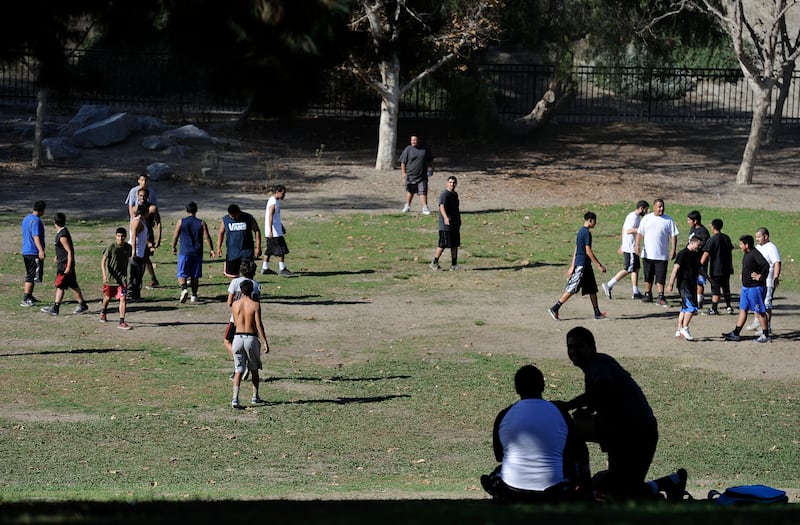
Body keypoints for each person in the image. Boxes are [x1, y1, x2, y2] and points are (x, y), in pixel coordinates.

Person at [556, 327, 687, 502]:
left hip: (636, 434)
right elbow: (607, 394)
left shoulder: (598, 366)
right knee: (617, 487)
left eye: (578, 346)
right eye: (570, 347)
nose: (573, 352)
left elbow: (603, 386)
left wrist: (569, 405)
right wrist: (587, 410)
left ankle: (664, 489)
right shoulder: (599, 364)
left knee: (621, 492)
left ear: (592, 347)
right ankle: (671, 482)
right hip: (621, 431)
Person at [480, 365, 591, 503]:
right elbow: (577, 450)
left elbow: (499, 455)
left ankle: (506, 496)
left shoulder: (504, 415)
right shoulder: (560, 413)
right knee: (570, 471)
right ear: (543, 386)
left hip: (512, 489)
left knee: (495, 475)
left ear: (516, 389)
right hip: (554, 489)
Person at [548, 211, 607, 321]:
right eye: (595, 221)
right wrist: (599, 265)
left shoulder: (581, 231)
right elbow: (587, 250)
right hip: (582, 264)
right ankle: (555, 308)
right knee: (572, 288)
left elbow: (576, 248)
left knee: (592, 288)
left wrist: (571, 265)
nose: (596, 223)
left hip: (586, 265)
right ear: (590, 220)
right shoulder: (586, 233)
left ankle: (597, 312)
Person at [722, 235, 771, 343]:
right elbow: (748, 267)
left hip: (755, 288)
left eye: (741, 244)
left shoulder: (755, 253)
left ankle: (765, 334)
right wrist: (743, 274)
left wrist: (760, 277)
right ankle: (736, 333)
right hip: (746, 288)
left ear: (747, 244)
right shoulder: (747, 254)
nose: (739, 246)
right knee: (743, 309)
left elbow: (766, 266)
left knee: (760, 311)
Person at [40, 213, 90, 316]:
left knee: (60, 286)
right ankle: (82, 304)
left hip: (64, 266)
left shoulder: (62, 235)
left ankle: (56, 308)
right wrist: (57, 256)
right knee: (73, 285)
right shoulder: (62, 233)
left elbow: (69, 251)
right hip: (63, 263)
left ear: (55, 222)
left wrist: (68, 266)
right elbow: (62, 250)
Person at [230, 279, 270, 408]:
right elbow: (259, 325)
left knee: (238, 370)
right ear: (252, 290)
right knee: (254, 369)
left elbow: (235, 323)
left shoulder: (235, 305)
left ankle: (235, 398)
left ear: (240, 290)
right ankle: (254, 396)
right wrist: (265, 342)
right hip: (251, 338)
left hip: (237, 338)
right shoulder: (255, 305)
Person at [635, 198, 679, 307]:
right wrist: (637, 245)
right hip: (648, 253)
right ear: (654, 207)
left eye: (662, 206)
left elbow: (673, 236)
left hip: (661, 255)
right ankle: (648, 294)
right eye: (659, 207)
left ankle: (660, 296)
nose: (661, 209)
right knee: (648, 275)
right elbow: (640, 233)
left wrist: (673, 249)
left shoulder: (668, 220)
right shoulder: (646, 218)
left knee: (660, 276)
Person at [224, 259, 262, 380]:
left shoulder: (235, 282)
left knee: (227, 340)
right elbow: (257, 302)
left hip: (235, 319)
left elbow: (229, 301)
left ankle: (239, 366)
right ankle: (246, 366)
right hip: (251, 320)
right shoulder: (257, 285)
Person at [602, 200, 648, 300]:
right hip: (630, 247)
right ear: (641, 208)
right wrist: (641, 229)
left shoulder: (632, 216)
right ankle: (609, 285)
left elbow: (623, 229)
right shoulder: (633, 217)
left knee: (635, 268)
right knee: (628, 268)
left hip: (630, 246)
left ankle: (635, 292)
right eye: (646, 210)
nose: (646, 212)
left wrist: (622, 244)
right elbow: (628, 230)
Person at [171, 201, 216, 303]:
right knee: (195, 275)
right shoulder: (201, 223)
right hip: (197, 253)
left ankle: (184, 289)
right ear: (196, 210)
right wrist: (211, 249)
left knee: (182, 273)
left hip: (184, 252)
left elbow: (175, 235)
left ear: (186, 210)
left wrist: (173, 246)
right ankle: (194, 295)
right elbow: (207, 237)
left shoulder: (181, 222)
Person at [666, 235, 706, 341]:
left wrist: (709, 279)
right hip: (684, 284)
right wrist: (670, 284)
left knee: (684, 308)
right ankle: (685, 328)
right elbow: (675, 269)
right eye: (698, 245)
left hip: (692, 284)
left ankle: (679, 329)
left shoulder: (695, 254)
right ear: (692, 243)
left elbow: (699, 268)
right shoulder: (683, 254)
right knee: (692, 308)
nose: (699, 247)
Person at [749, 227, 781, 334]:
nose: (757, 239)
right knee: (756, 301)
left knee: (766, 304)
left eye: (759, 237)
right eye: (756, 237)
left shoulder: (771, 248)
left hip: (768, 280)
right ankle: (757, 322)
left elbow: (777, 262)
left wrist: (776, 277)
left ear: (765, 236)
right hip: (757, 280)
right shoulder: (757, 247)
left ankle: (767, 327)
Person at [100, 227, 133, 330]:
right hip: (111, 279)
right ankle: (103, 311)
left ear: (125, 237)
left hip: (122, 279)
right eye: (118, 236)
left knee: (123, 298)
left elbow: (129, 259)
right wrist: (104, 275)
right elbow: (103, 261)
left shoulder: (128, 247)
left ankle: (122, 321)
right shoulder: (111, 247)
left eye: (122, 236)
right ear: (116, 236)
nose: (120, 238)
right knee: (108, 297)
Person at [217, 204, 262, 278]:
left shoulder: (248, 218)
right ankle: (235, 288)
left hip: (247, 251)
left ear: (239, 212)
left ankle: (247, 288)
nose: (233, 218)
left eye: (234, 216)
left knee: (248, 273)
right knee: (233, 276)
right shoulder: (225, 219)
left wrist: (258, 247)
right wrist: (219, 247)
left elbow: (256, 231)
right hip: (232, 252)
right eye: (231, 216)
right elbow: (221, 233)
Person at [700, 219, 735, 315]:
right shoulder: (726, 238)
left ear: (713, 227)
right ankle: (729, 306)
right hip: (726, 268)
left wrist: (699, 264)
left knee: (715, 288)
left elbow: (706, 253)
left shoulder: (712, 240)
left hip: (716, 269)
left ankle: (714, 308)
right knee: (726, 287)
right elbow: (730, 250)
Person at [429, 176, 461, 271]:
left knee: (455, 244)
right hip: (445, 225)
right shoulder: (444, 194)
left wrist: (458, 220)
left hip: (454, 224)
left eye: (454, 182)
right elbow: (441, 206)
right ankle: (434, 262)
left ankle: (454, 264)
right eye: (450, 182)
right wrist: (445, 218)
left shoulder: (455, 194)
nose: (452, 184)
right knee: (443, 244)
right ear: (447, 183)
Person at [398, 135, 434, 214]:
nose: (413, 142)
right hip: (411, 175)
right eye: (412, 140)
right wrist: (404, 173)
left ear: (419, 140)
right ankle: (407, 206)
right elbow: (403, 162)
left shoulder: (424, 149)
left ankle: (425, 208)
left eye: (415, 140)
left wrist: (431, 169)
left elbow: (430, 160)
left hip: (422, 176)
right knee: (410, 191)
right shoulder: (408, 149)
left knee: (423, 191)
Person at [261, 185, 292, 277]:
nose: (284, 195)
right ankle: (282, 268)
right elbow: (270, 216)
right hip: (274, 232)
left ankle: (265, 268)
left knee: (269, 250)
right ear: (277, 192)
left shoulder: (275, 201)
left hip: (275, 230)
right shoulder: (273, 202)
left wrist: (281, 226)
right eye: (283, 193)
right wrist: (270, 230)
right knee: (282, 250)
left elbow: (275, 217)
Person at [20, 200, 46, 307]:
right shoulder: (36, 221)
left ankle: (30, 296)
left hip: (26, 250)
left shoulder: (26, 219)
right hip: (32, 251)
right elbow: (36, 237)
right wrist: (40, 250)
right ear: (42, 210)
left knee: (31, 274)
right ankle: (26, 298)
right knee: (31, 275)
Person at [127, 203, 153, 300]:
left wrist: (148, 243)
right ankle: (131, 293)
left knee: (138, 273)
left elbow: (142, 236)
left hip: (141, 251)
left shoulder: (142, 221)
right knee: (135, 273)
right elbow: (133, 237)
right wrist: (133, 252)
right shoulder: (137, 222)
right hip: (136, 251)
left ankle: (136, 293)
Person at [686, 211, 710, 309]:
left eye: (689, 220)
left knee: (699, 280)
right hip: (691, 258)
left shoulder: (703, 231)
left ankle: (699, 300)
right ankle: (693, 298)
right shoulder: (692, 229)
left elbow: (704, 247)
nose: (688, 222)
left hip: (699, 259)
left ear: (695, 221)